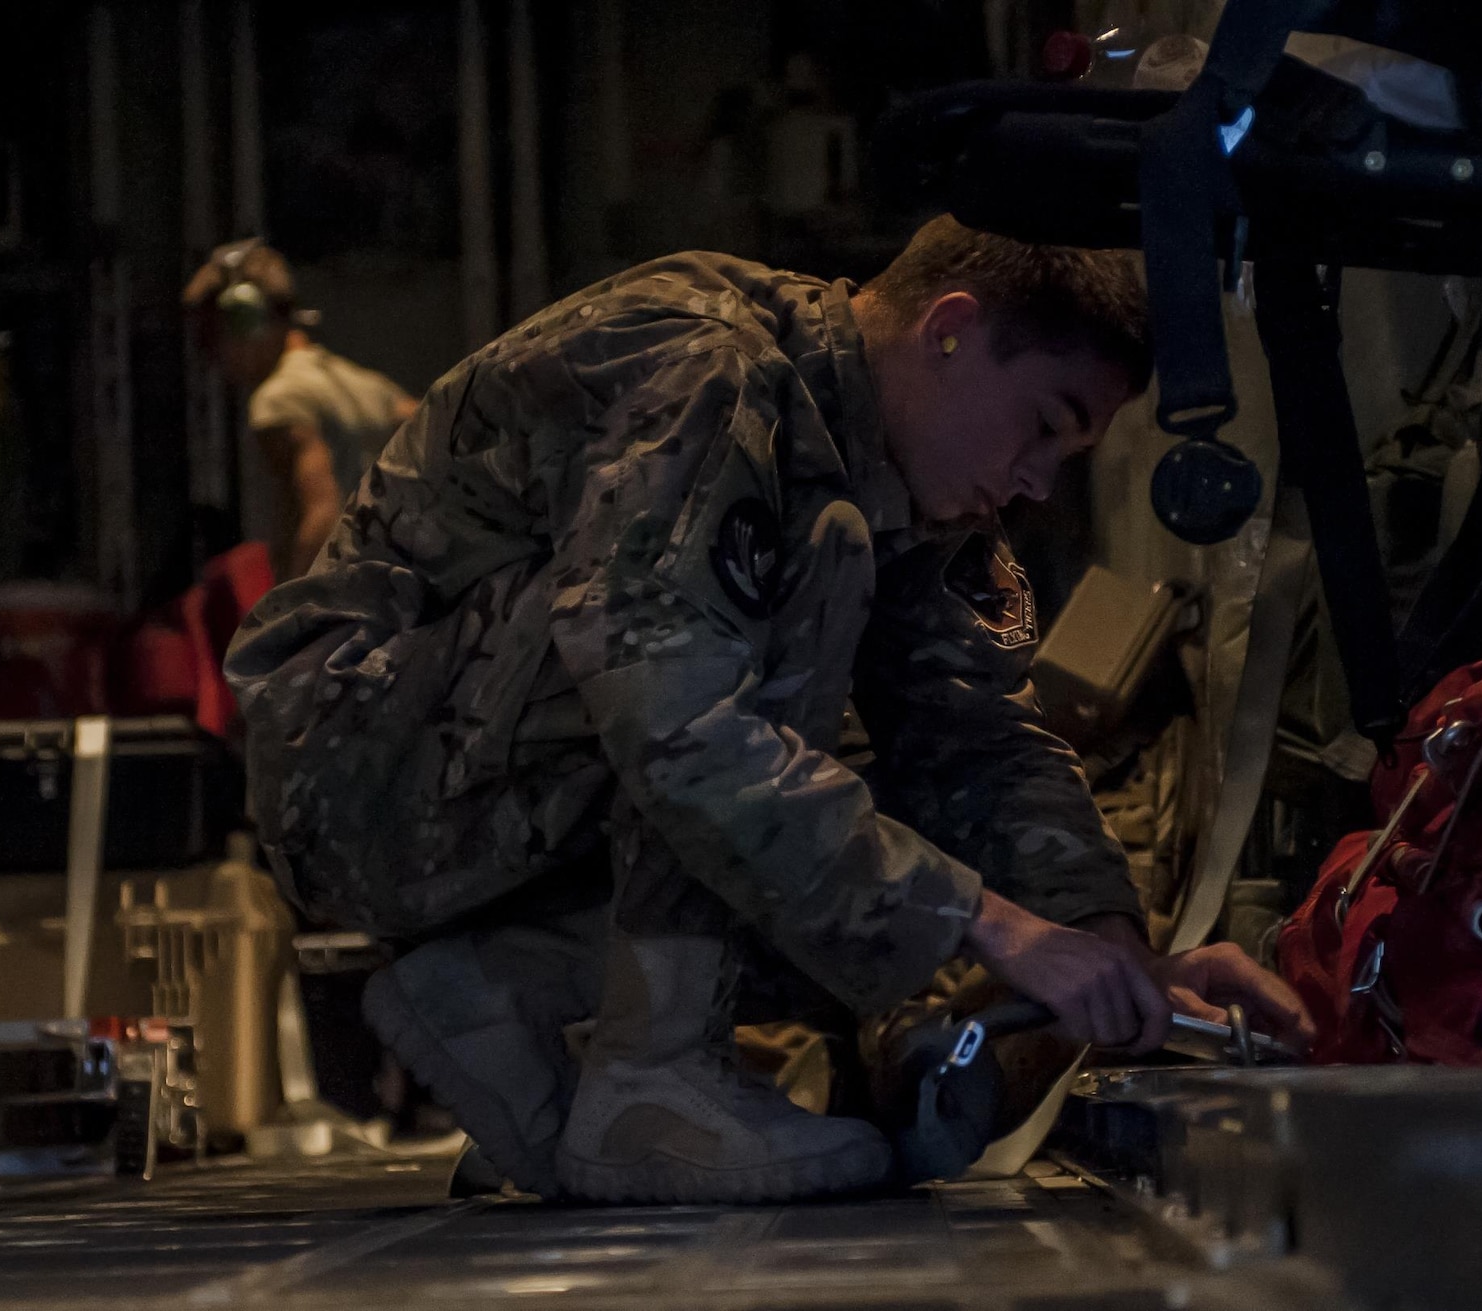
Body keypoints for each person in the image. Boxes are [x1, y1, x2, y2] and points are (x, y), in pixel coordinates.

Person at [224, 216, 1315, 1205]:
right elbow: (674, 722)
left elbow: (973, 731)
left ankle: (506, 989)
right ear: (948, 329)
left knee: (878, 807)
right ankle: (653, 1080)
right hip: (356, 764)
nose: (1036, 481)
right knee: (790, 598)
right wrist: (999, 929)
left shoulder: (885, 456)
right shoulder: (713, 371)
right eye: (1042, 426)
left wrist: (1115, 958)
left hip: (481, 767)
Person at [183, 239, 417, 581]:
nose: (210, 356)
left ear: (247, 319)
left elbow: (321, 512)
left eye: (210, 335)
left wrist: (295, 614)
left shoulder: (279, 398)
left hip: (349, 603)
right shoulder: (364, 384)